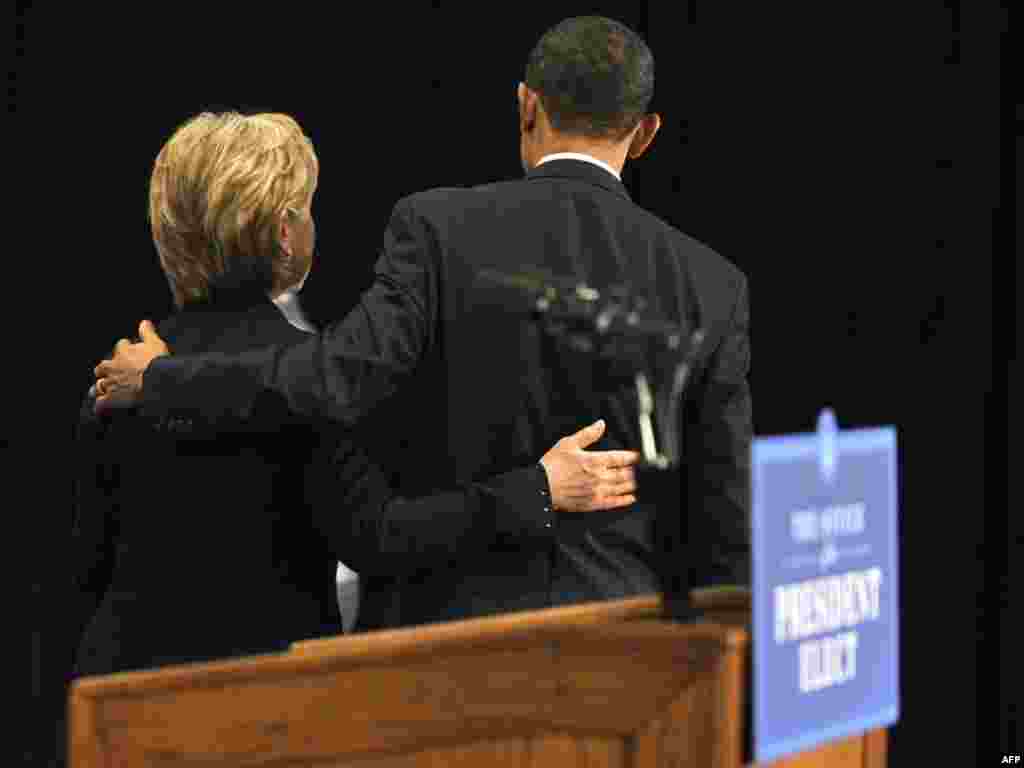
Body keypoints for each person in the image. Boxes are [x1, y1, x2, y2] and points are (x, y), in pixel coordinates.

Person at [93, 16, 751, 626]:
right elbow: (726, 526)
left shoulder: (436, 229)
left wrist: (164, 380)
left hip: (448, 653)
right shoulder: (714, 287)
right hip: (627, 653)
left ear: (526, 104)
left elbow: (332, 378)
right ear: (646, 132)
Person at [71, 109, 640, 685]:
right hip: (263, 700)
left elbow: (85, 572)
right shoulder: (311, 377)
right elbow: (380, 537)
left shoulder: (120, 374)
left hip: (120, 699)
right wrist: (538, 490)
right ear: (286, 233)